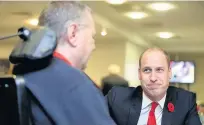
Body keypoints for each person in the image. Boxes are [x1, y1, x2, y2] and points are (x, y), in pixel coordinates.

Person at [21, 1, 116, 125]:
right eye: (92, 36)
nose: (93, 46)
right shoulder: (76, 85)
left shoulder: (22, 73)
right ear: (73, 33)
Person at [106, 47, 201, 125]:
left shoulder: (185, 101)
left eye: (159, 70)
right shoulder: (116, 98)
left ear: (169, 73)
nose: (153, 78)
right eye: (147, 70)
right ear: (139, 74)